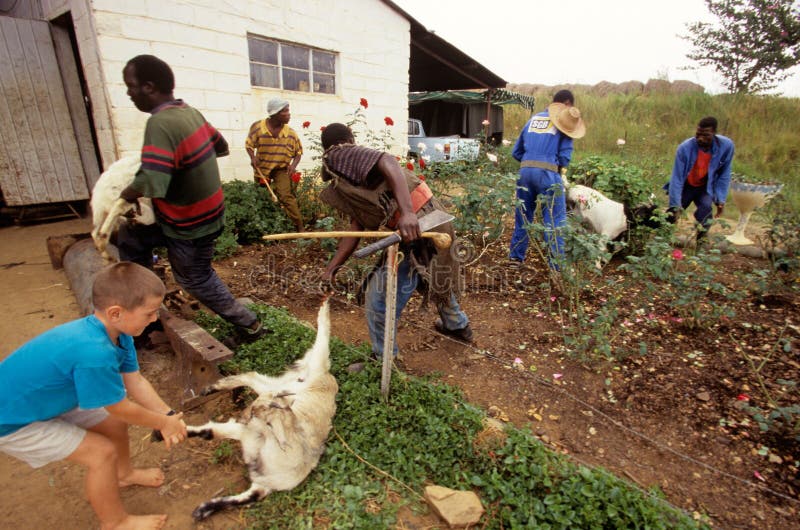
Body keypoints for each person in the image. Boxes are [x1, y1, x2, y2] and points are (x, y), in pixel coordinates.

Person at [0, 262, 187, 530]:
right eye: (149, 313)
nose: (155, 319)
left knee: (112, 424)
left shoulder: (118, 334)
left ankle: (123, 474)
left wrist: (168, 416)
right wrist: (161, 424)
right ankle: (115, 522)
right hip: (12, 421)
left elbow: (135, 381)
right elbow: (118, 406)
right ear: (116, 312)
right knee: (101, 454)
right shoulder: (94, 353)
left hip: (43, 399)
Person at [117, 54, 266, 343]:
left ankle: (250, 325)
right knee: (131, 238)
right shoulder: (189, 112)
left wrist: (123, 194)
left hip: (190, 224)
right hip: (203, 214)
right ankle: (145, 314)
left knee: (195, 278)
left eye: (131, 86)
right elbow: (220, 146)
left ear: (149, 87)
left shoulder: (160, 123)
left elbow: (153, 181)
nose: (129, 94)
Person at [318, 123, 472, 357]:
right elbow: (356, 228)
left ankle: (384, 358)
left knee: (379, 298)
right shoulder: (352, 177)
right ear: (350, 137)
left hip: (420, 224)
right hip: (432, 219)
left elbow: (388, 161)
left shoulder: (338, 154)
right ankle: (457, 325)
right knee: (430, 275)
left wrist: (407, 213)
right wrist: (332, 268)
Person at [508, 89, 586, 269]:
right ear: (567, 104)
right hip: (548, 174)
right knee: (555, 219)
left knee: (523, 216)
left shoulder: (532, 120)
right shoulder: (564, 125)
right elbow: (564, 159)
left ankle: (515, 259)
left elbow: (516, 152)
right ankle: (556, 267)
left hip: (525, 172)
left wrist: (531, 163)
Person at [666, 116, 735, 238]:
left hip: (705, 186)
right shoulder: (685, 148)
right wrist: (675, 204)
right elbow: (677, 178)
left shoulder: (726, 146)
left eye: (706, 135)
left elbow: (724, 173)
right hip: (687, 185)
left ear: (714, 133)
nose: (700, 138)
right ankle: (663, 238)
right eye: (698, 134)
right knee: (672, 214)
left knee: (705, 211)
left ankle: (701, 241)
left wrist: (720, 199)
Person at [245, 98, 305, 231]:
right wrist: (253, 157)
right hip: (262, 169)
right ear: (275, 113)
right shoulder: (258, 127)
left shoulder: (290, 133)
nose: (289, 114)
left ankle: (300, 226)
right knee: (262, 196)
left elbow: (299, 152)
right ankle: (266, 227)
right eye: (285, 111)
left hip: (281, 169)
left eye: (288, 110)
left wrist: (293, 166)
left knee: (285, 196)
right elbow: (249, 145)